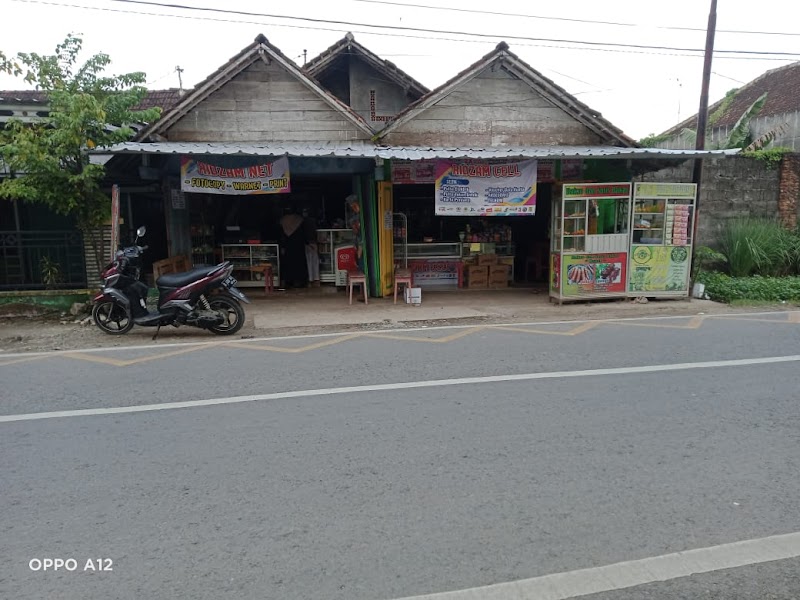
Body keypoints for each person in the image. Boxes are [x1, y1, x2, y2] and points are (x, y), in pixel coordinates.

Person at [279, 205, 308, 288]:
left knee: (288, 264)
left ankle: (289, 281)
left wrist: (282, 246)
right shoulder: (299, 219)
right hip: (298, 246)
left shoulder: (282, 220)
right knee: (299, 263)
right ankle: (299, 281)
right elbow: (304, 233)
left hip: (288, 247)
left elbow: (281, 236)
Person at [303, 209, 320, 286]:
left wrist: (307, 242)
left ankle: (311, 279)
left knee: (309, 261)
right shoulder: (313, 221)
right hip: (313, 243)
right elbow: (315, 232)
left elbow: (304, 233)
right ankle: (316, 278)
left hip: (308, 243)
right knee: (315, 261)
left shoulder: (303, 221)